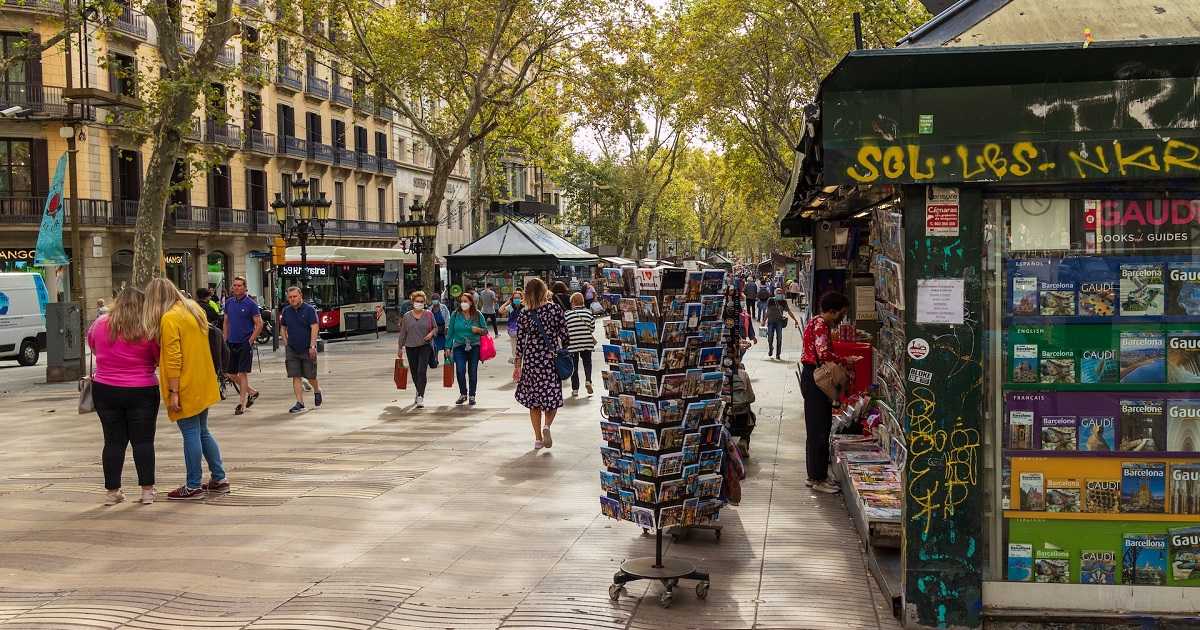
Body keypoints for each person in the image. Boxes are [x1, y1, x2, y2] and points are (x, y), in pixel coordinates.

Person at [143, 278, 227, 500]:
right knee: (203, 430)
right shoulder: (193, 310)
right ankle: (219, 478)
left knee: (190, 432)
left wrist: (173, 392)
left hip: (185, 383)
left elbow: (173, 358)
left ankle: (193, 484)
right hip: (203, 379)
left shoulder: (169, 319)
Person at [88, 287, 159, 505]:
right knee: (143, 441)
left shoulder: (100, 324)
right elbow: (157, 356)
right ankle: (147, 491)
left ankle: (112, 492)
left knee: (113, 441)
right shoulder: (148, 327)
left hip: (105, 388)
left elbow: (93, 346)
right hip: (142, 389)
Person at [800, 292, 858, 494]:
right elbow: (823, 353)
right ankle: (817, 477)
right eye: (841, 313)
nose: (842, 317)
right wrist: (845, 360)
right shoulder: (821, 325)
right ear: (833, 311)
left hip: (812, 377)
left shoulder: (815, 322)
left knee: (818, 427)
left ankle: (816, 474)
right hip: (816, 379)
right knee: (819, 429)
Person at [513, 278, 568, 450]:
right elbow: (565, 334)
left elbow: (520, 341)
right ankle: (547, 426)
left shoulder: (524, 313)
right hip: (549, 360)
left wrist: (517, 364)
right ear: (545, 291)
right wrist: (562, 347)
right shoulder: (554, 309)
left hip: (531, 361)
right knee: (551, 397)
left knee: (534, 402)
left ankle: (537, 439)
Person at [222, 276, 262, 415]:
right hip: (231, 342)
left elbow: (259, 324)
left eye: (240, 285)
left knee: (242, 373)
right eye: (235, 285)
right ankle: (252, 392)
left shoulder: (251, 304)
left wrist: (250, 340)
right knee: (229, 373)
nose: (237, 288)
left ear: (245, 288)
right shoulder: (229, 303)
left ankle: (241, 404)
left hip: (244, 343)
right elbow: (226, 322)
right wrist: (224, 339)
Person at [279, 286, 322, 413]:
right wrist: (286, 342)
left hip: (307, 348)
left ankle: (317, 390)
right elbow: (283, 327)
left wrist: (312, 346)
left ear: (300, 296)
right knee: (295, 375)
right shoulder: (286, 311)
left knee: (310, 376)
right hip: (292, 348)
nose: (292, 299)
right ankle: (300, 402)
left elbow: (314, 327)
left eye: (294, 296)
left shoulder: (309, 310)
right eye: (290, 297)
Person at [397, 290, 436, 408]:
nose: (419, 303)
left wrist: (431, 334)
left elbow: (435, 328)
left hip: (425, 346)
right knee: (414, 372)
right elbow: (403, 333)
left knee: (421, 371)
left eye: (421, 301)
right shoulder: (407, 316)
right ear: (412, 302)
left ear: (424, 302)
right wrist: (400, 348)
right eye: (417, 301)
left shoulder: (429, 314)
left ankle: (420, 396)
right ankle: (418, 389)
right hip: (410, 347)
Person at [448, 292, 488, 405]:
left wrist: (478, 330)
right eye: (461, 301)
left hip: (474, 346)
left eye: (465, 301)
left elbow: (485, 330)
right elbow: (450, 331)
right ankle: (463, 394)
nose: (463, 303)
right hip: (459, 346)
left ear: (471, 302)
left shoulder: (478, 314)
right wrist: (447, 347)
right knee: (460, 370)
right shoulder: (455, 314)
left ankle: (472, 395)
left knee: (472, 371)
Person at [565, 291, 596, 396]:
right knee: (587, 363)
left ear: (573, 302)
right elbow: (592, 328)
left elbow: (565, 329)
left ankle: (575, 389)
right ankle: (588, 380)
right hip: (586, 342)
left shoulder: (567, 314)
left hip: (573, 344)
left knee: (574, 366)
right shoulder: (588, 313)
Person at [763, 286, 801, 359]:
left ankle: (778, 354)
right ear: (775, 293)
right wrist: (764, 320)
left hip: (779, 322)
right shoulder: (770, 300)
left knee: (779, 338)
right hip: (770, 321)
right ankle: (771, 348)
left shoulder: (783, 302)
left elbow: (789, 311)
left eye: (780, 292)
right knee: (770, 337)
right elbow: (767, 311)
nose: (779, 294)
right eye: (778, 292)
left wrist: (795, 320)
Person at [728, 360, 756, 457]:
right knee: (752, 418)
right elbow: (751, 397)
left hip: (727, 415)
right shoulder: (744, 374)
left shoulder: (722, 373)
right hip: (742, 416)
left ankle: (728, 443)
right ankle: (744, 440)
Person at [499, 290, 524, 364]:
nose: (517, 299)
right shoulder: (510, 307)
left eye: (518, 298)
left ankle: (520, 359)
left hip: (522, 330)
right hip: (512, 330)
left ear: (521, 298)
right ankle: (516, 359)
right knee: (514, 345)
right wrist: (507, 302)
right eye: (515, 298)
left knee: (523, 345)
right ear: (512, 299)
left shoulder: (524, 307)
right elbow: (500, 311)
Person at [429, 294, 451, 369]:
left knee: (446, 345)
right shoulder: (430, 309)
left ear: (439, 299)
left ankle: (447, 359)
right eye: (433, 299)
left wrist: (447, 327)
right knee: (435, 346)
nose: (435, 300)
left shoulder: (443, 307)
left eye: (436, 299)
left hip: (443, 328)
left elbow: (448, 318)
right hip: (435, 328)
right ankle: (435, 360)